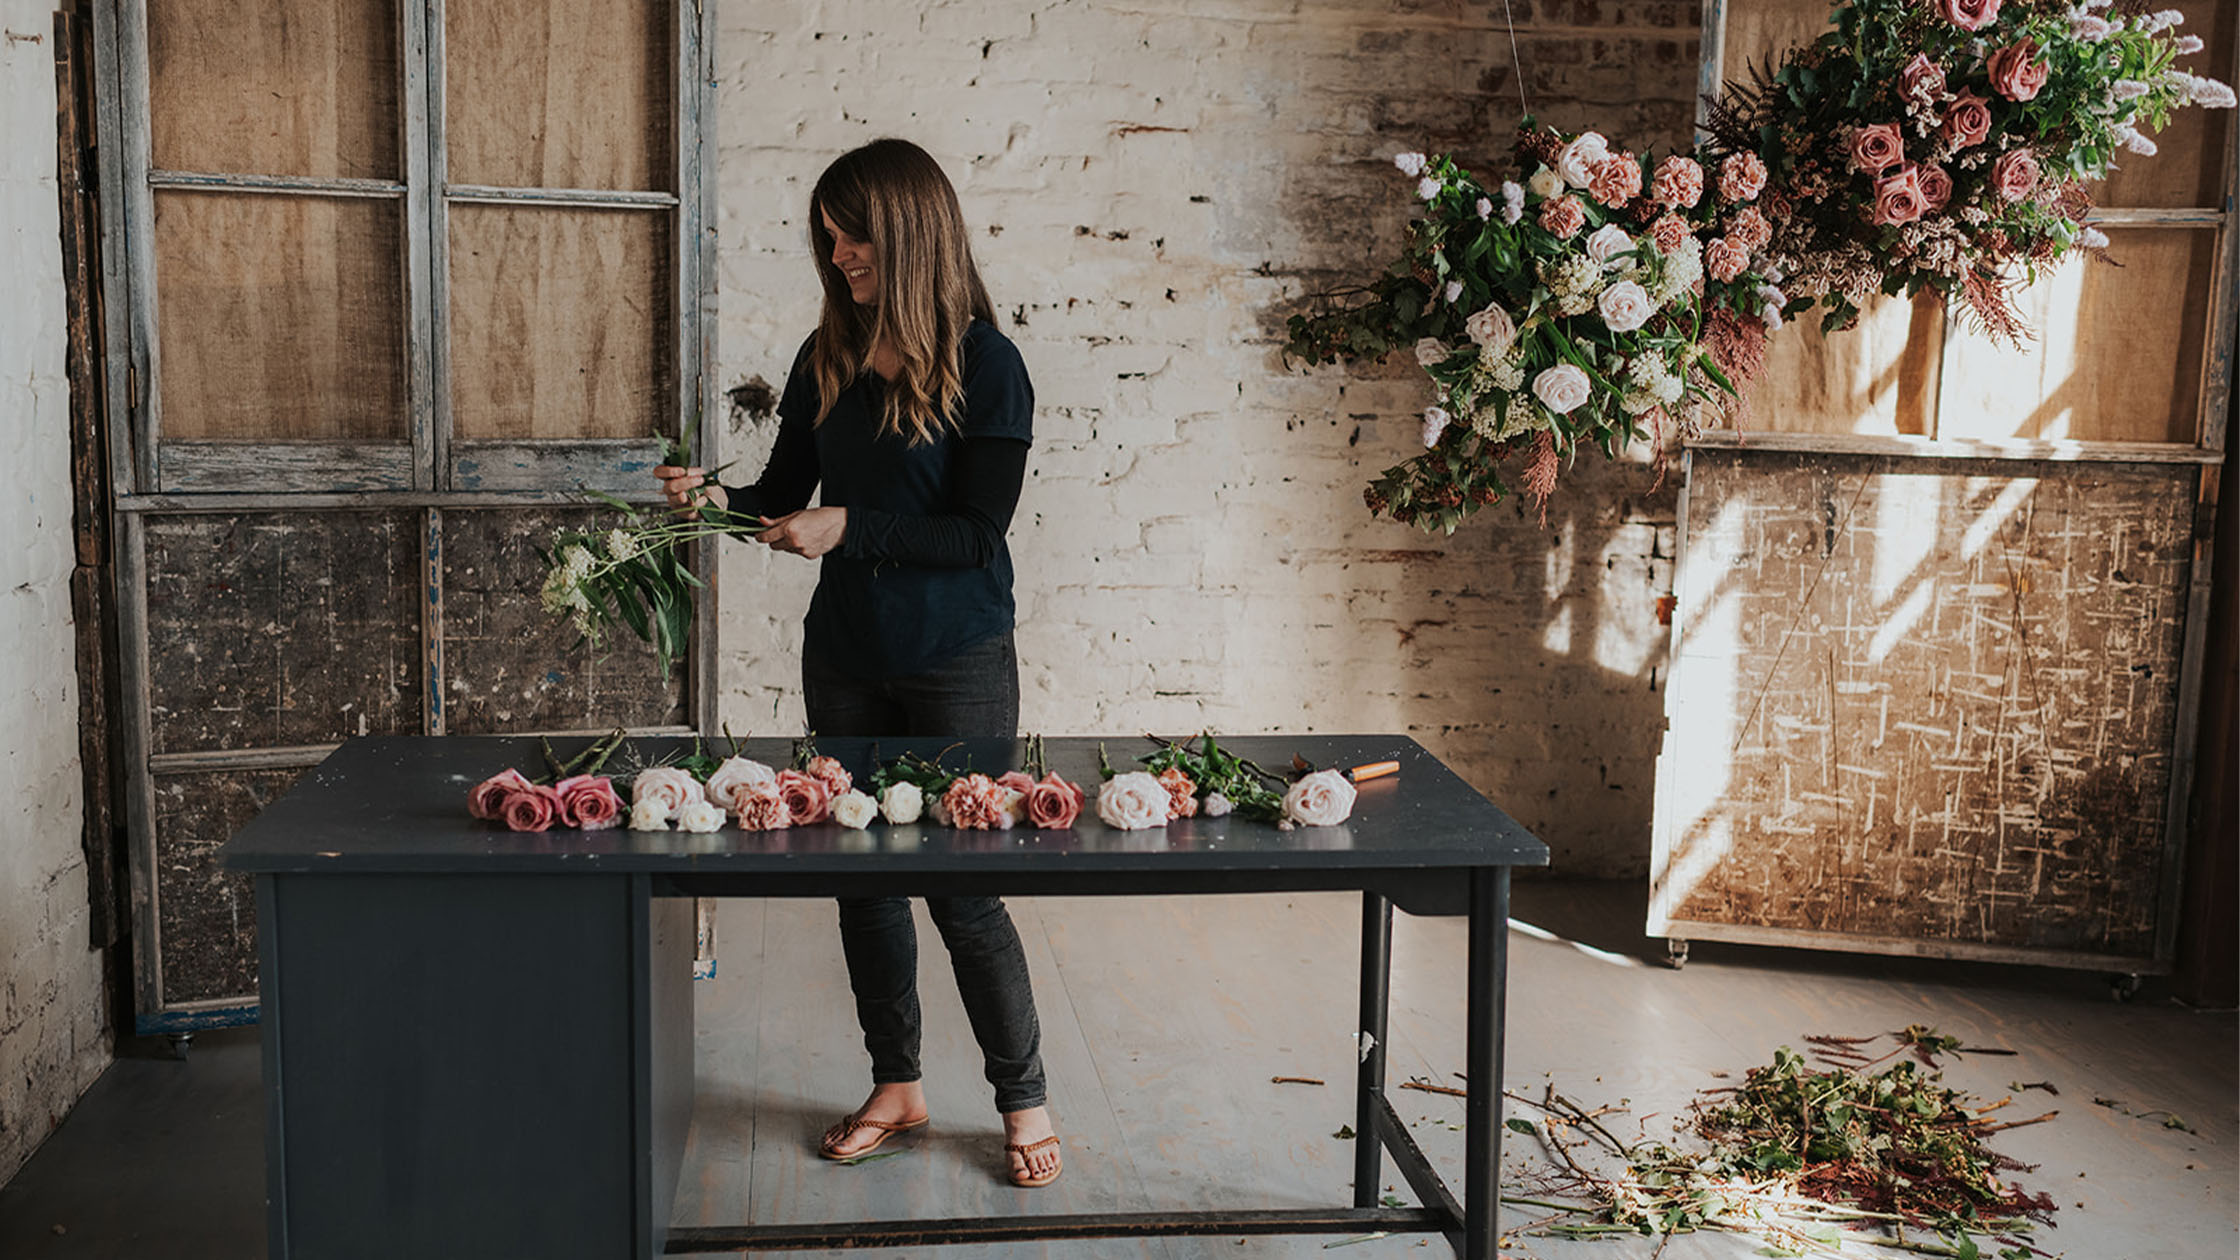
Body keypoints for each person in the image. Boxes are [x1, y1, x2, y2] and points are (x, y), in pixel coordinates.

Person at [653, 138, 1059, 1189]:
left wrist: (851, 526)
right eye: (827, 238)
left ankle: (1022, 1098)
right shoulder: (823, 355)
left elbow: (975, 533)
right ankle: (898, 1086)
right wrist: (716, 504)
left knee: (962, 890)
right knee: (863, 881)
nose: (837, 257)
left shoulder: (988, 364)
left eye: (853, 236)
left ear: (911, 232)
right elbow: (783, 498)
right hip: (843, 656)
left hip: (956, 658)